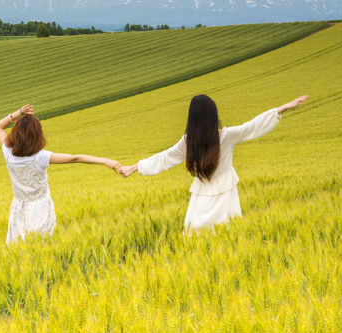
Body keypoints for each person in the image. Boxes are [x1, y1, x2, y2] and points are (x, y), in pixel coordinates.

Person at [118, 94, 308, 232]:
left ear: (191, 118)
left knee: (196, 232)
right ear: (213, 115)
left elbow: (165, 157)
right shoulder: (225, 136)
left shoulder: (188, 140)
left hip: (201, 196)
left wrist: (134, 167)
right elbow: (253, 126)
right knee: (228, 231)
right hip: (225, 194)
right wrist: (281, 109)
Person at [0, 104, 122, 244]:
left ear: (15, 133)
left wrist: (18, 113)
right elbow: (75, 158)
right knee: (42, 247)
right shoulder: (41, 157)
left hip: (18, 209)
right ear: (37, 136)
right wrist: (105, 161)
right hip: (41, 209)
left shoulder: (8, 153)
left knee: (19, 248)